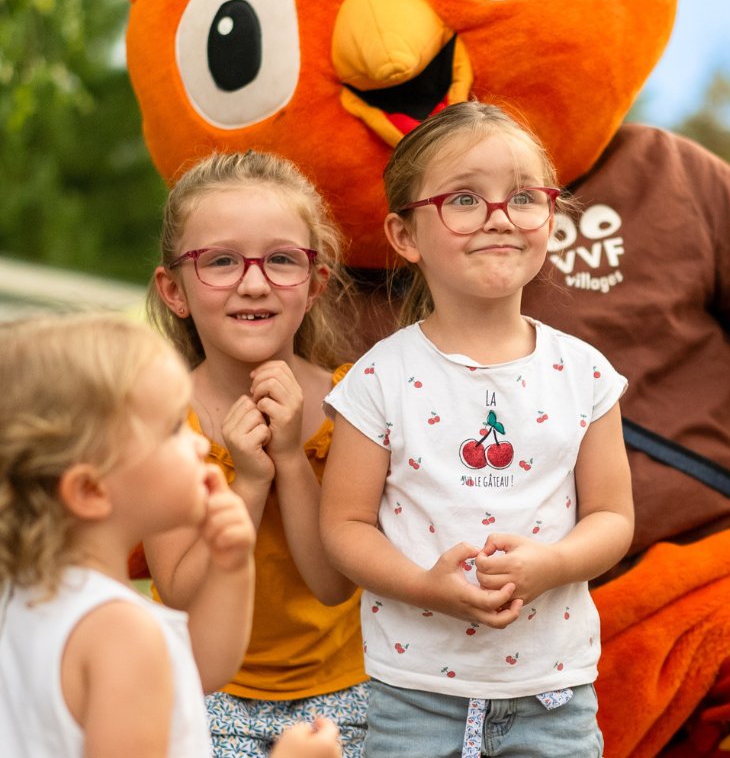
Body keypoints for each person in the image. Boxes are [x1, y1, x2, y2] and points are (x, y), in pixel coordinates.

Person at [320, 101, 635, 758]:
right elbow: (344, 528)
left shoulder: (585, 375)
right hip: (408, 696)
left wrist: (552, 566)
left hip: (554, 697)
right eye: (465, 199)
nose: (499, 218)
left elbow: (612, 518)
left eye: (523, 197)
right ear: (405, 236)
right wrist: (425, 586)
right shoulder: (378, 379)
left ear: (549, 217)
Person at [0, 312, 342, 758]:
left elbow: (200, 668)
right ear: (90, 490)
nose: (201, 443)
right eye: (174, 429)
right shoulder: (121, 633)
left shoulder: (30, 597)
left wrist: (231, 565)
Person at [146, 151, 368, 757]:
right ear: (176, 290)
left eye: (280, 260)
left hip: (350, 692)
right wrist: (247, 482)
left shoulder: (355, 403)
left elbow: (333, 586)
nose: (253, 281)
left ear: (314, 283)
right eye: (219, 261)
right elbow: (183, 589)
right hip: (209, 691)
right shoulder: (161, 419)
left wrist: (292, 459)